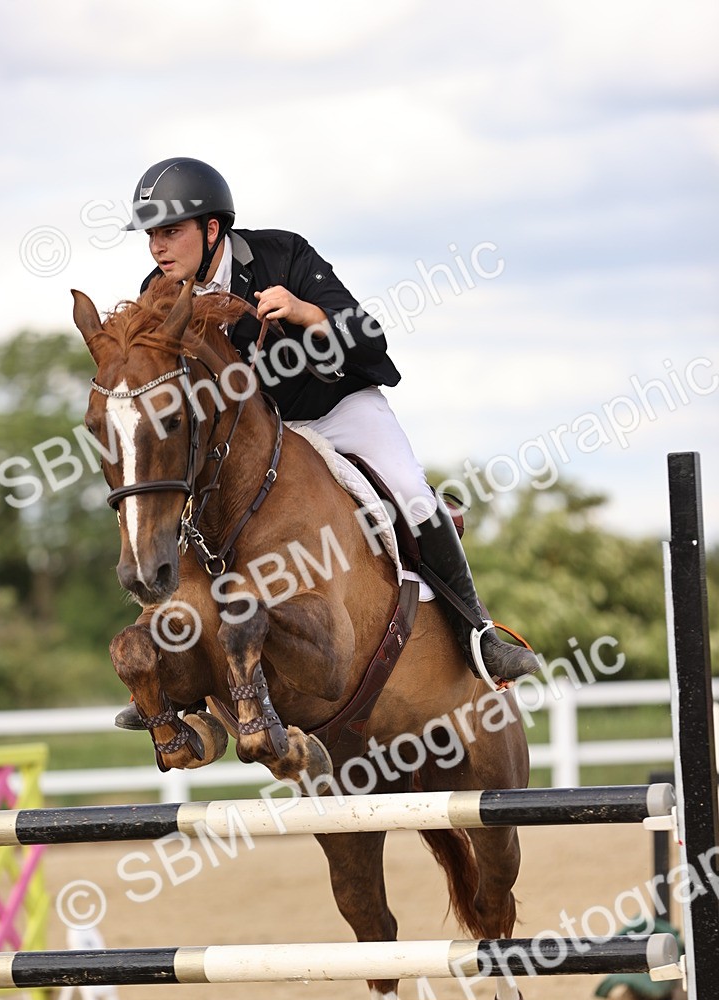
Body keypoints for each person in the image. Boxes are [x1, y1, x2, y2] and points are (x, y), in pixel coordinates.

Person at [117, 156, 539, 716]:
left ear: (212, 228)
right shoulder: (158, 293)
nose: (157, 248)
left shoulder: (282, 254)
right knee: (183, 515)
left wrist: (305, 312)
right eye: (151, 236)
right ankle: (176, 681)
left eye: (170, 232)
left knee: (411, 493)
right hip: (253, 439)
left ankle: (478, 634)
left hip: (334, 408)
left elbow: (369, 337)